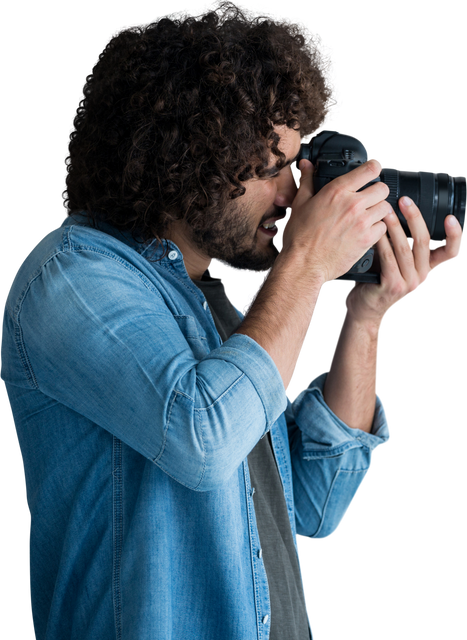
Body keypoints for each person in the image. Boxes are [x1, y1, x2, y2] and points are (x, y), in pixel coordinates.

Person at [1, 2, 464, 639]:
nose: (291, 195)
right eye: (272, 167)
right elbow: (204, 436)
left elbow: (313, 502)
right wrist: (302, 265)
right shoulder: (71, 278)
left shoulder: (219, 308)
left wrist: (365, 313)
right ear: (188, 151)